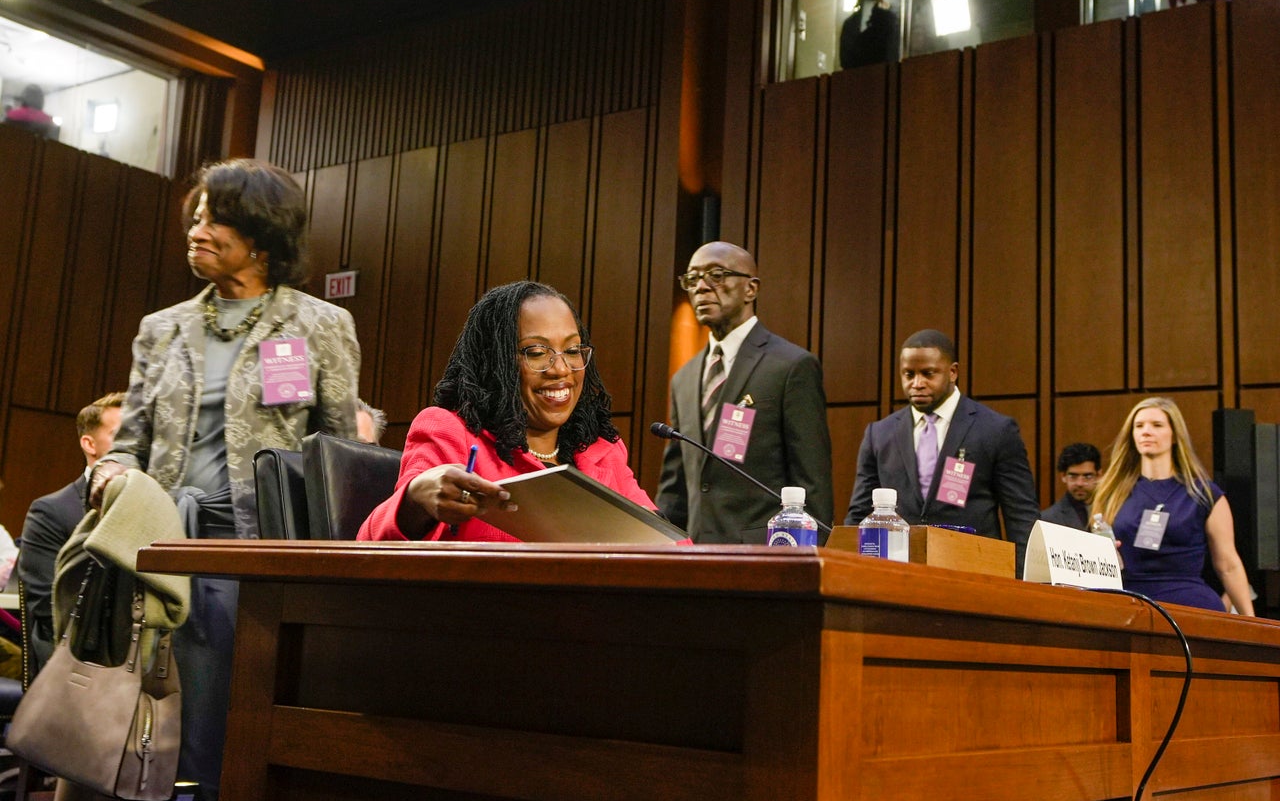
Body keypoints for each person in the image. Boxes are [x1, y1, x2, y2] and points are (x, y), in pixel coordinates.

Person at [89, 158, 361, 801]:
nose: (198, 229)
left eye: (217, 218)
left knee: (229, 734)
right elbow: (131, 439)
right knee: (142, 732)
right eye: (197, 216)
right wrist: (112, 467)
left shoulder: (319, 325)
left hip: (258, 557)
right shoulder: (162, 328)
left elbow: (339, 452)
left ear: (262, 234)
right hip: (159, 551)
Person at [358, 280, 654, 542]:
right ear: (495, 361)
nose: (562, 369)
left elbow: (666, 544)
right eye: (537, 353)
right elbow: (370, 544)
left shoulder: (603, 451)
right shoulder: (449, 431)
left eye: (573, 350)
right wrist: (413, 502)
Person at [655, 241, 833, 542]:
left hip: (765, 554)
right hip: (697, 555)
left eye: (716, 275)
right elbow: (676, 487)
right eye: (692, 279)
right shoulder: (683, 379)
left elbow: (811, 482)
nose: (701, 287)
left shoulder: (790, 366)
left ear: (751, 289)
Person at [843, 329, 1040, 572]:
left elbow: (1021, 516)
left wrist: (1023, 582)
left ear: (952, 372)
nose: (917, 383)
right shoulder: (879, 434)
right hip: (898, 573)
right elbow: (859, 514)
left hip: (974, 571)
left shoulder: (995, 430)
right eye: (908, 374)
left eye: (928, 374)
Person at [1091, 396, 1253, 614]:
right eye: (1139, 426)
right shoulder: (1111, 491)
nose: (1146, 431)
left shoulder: (1205, 494)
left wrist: (1250, 621)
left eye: (1156, 425)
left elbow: (1228, 564)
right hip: (1127, 599)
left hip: (1189, 600)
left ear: (1175, 435)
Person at [18, 392, 123, 676]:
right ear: (90, 444)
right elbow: (46, 604)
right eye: (120, 435)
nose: (132, 446)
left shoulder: (156, 505)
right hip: (74, 663)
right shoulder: (51, 511)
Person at [1039, 442, 1102, 530]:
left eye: (1087, 476)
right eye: (1073, 476)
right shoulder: (1048, 520)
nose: (1080, 483)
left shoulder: (1113, 511)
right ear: (1063, 476)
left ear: (1098, 476)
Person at [839, 0, 900, 70]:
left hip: (854, 77)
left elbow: (844, 59)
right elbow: (892, 53)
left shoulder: (849, 23)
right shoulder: (888, 20)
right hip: (882, 75)